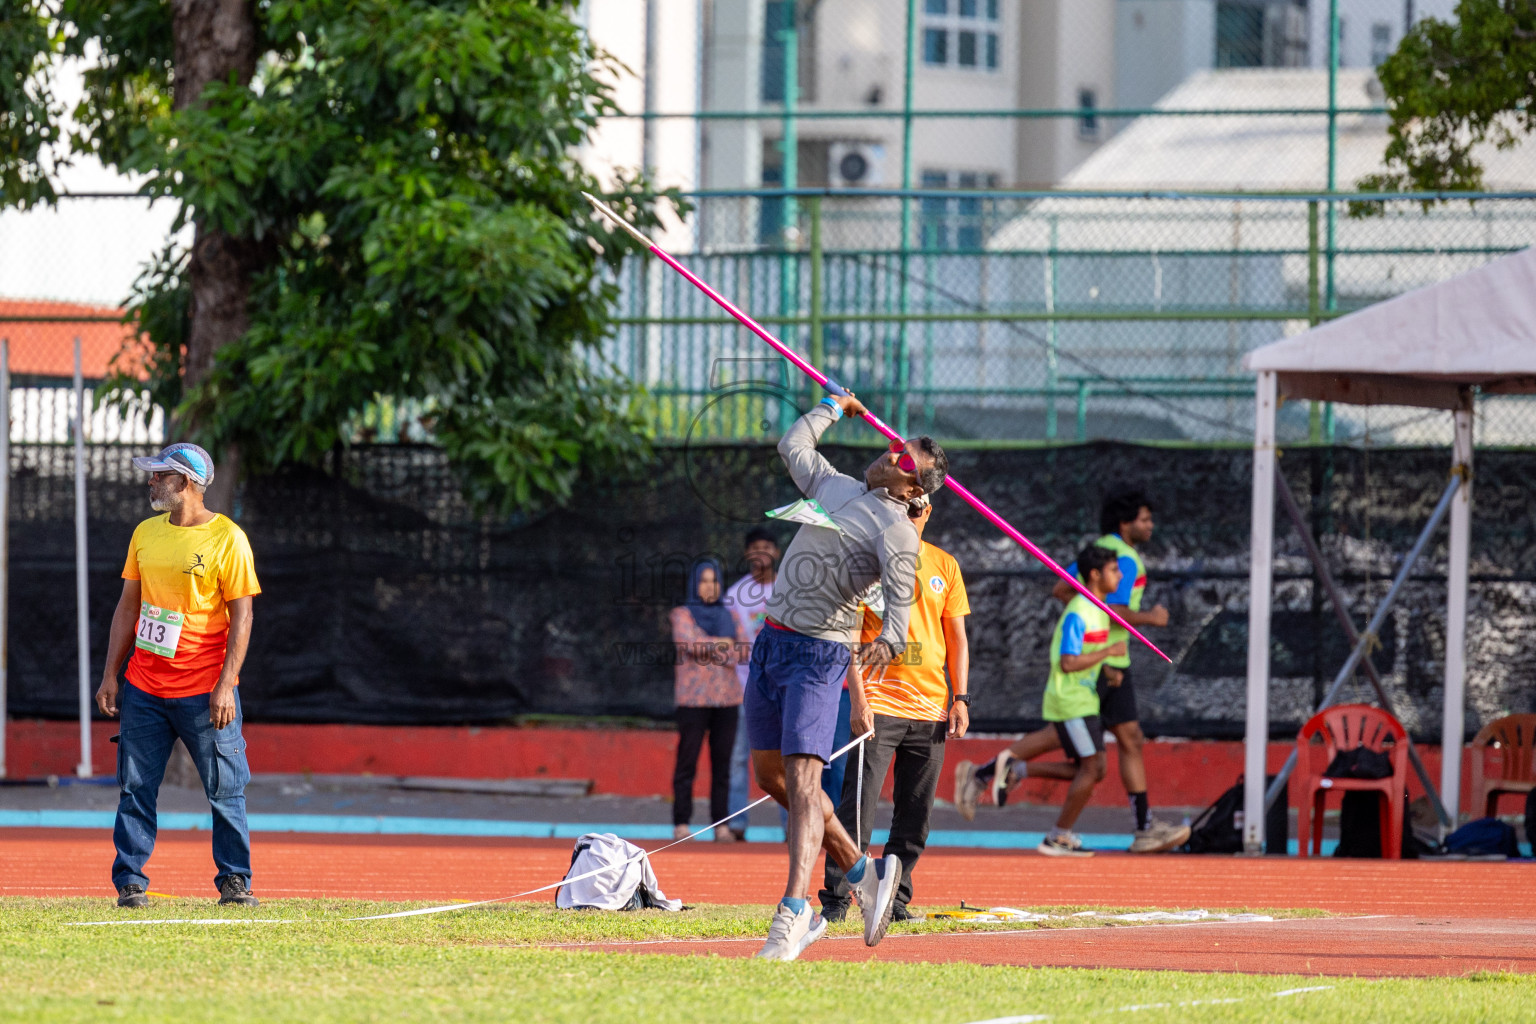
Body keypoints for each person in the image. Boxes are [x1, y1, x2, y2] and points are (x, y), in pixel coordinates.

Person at [746, 392, 948, 961]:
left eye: (905, 462)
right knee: (773, 780)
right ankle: (863, 873)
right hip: (771, 645)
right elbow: (793, 445)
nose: (890, 457)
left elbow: (902, 597)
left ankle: (793, 914)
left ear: (914, 491)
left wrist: (890, 635)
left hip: (820, 655)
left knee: (805, 781)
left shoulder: (898, 529)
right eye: (894, 449)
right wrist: (833, 407)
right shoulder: (838, 488)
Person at [93, 443, 262, 908]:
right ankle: (129, 882)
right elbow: (128, 606)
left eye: (158, 475)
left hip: (204, 690)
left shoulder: (228, 539)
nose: (150, 482)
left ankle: (234, 881)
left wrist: (226, 684)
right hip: (144, 687)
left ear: (184, 483)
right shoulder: (145, 533)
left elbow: (242, 618)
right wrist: (111, 674)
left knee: (225, 789)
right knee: (135, 787)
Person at [819, 493, 969, 923]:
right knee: (858, 807)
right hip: (879, 705)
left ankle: (896, 898)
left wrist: (960, 698)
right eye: (903, 507)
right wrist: (858, 698)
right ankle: (836, 898)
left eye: (917, 508)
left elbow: (957, 638)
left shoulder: (945, 565)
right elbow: (847, 633)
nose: (910, 514)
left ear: (928, 512)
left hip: (931, 709)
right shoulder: (869, 563)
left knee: (916, 812)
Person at [953, 544, 1123, 856]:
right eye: (1115, 569)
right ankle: (1058, 836)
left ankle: (1000, 771)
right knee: (1093, 766)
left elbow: (1084, 656)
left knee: (1093, 769)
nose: (1121, 575)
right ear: (1096, 575)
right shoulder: (1080, 612)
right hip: (1071, 700)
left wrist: (1108, 669)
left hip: (1083, 700)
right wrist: (1108, 653)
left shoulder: (1098, 610)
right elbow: (1068, 662)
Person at [1048, 488, 1189, 854]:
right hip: (1109, 663)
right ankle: (1137, 828)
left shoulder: (1101, 548)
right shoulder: (1123, 558)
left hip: (1103, 660)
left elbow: (1063, 589)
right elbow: (1113, 608)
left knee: (1114, 743)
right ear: (1125, 523)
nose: (1150, 526)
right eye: (1144, 519)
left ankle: (997, 769)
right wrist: (1150, 619)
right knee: (1106, 752)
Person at [669, 559, 746, 841]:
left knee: (723, 765)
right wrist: (722, 644)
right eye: (704, 580)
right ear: (694, 583)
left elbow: (738, 654)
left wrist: (710, 648)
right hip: (692, 701)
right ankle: (681, 823)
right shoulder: (681, 614)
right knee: (687, 762)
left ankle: (721, 824)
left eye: (714, 581)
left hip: (727, 700)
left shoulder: (730, 615)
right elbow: (687, 644)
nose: (709, 587)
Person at [723, 528, 780, 841]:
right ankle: (736, 825)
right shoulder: (733, 596)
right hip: (746, 689)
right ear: (747, 554)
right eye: (755, 547)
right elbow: (728, 643)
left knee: (790, 759)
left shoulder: (790, 590)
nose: (761, 552)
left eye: (767, 546)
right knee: (738, 758)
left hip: (785, 689)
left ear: (777, 553)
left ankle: (793, 826)